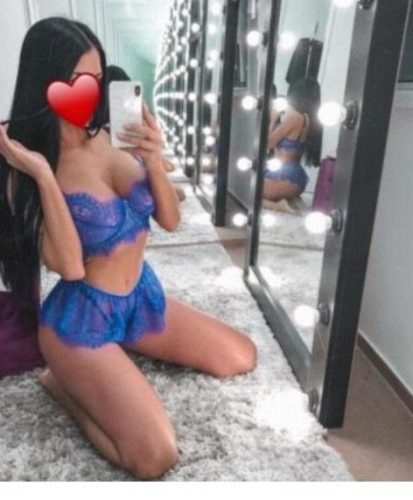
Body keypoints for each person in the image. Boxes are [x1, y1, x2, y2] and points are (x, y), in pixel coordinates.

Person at [0, 18, 257, 480]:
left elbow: (170, 221)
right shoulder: (24, 171)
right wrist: (43, 175)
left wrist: (154, 161)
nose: (91, 91)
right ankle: (61, 384)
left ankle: (113, 357)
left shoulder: (111, 136)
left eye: (97, 78)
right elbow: (71, 267)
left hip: (141, 298)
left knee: (242, 356)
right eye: (77, 79)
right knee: (154, 456)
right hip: (81, 322)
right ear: (45, 82)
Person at [103, 64, 186, 202]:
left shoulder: (135, 127)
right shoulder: (104, 139)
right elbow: (175, 187)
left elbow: (169, 167)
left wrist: (155, 157)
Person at [264, 77, 322, 203]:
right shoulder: (306, 118)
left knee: (248, 191)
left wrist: (273, 119)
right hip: (289, 175)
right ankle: (279, 204)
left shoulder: (296, 117)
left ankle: (279, 206)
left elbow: (267, 143)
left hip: (284, 176)